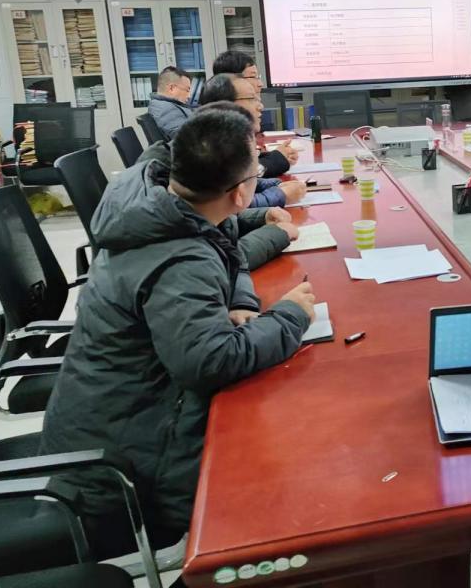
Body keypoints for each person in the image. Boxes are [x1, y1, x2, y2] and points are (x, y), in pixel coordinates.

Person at [39, 109, 316, 553]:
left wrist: (242, 304)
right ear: (240, 193)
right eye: (255, 173)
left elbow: (225, 248)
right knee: (288, 484)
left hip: (115, 427)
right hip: (119, 479)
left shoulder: (163, 207)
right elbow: (211, 362)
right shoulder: (179, 257)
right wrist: (289, 317)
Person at [137, 101, 300, 270]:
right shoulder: (188, 262)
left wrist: (260, 217)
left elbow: (212, 222)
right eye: (257, 170)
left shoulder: (163, 188)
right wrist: (275, 235)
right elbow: (215, 264)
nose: (260, 104)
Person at [199, 75, 306, 208]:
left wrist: (275, 185)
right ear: (224, 105)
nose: (261, 106)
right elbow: (227, 207)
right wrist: (280, 195)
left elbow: (239, 182)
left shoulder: (225, 139)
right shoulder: (205, 149)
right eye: (251, 98)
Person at [213, 50, 297, 176]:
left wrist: (277, 156)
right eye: (253, 77)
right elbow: (242, 175)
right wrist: (277, 160)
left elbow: (242, 163)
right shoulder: (217, 126)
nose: (260, 84)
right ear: (231, 80)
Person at [147, 66, 194, 141]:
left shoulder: (163, 104)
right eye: (187, 90)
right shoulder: (165, 108)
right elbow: (187, 138)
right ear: (172, 88)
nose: (189, 96)